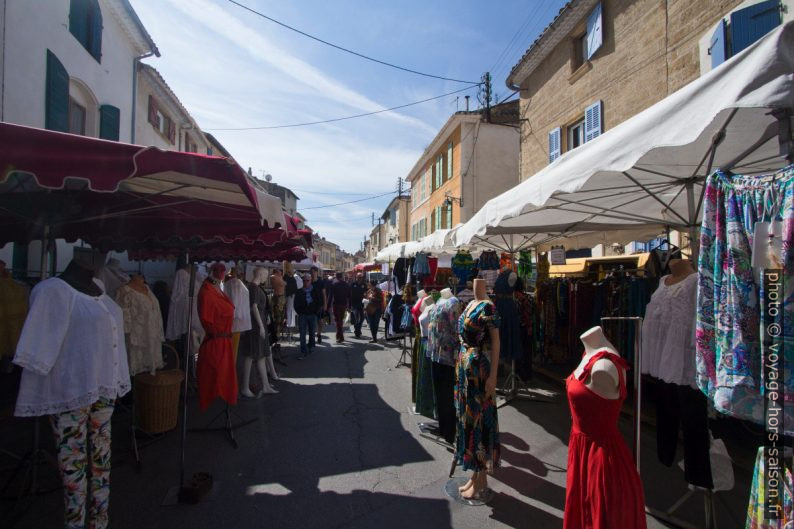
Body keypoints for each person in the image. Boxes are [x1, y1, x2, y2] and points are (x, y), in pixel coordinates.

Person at [455, 278, 501, 500]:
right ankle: (475, 474)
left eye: (478, 284)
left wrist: (493, 376)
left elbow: (496, 342)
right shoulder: (471, 304)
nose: (475, 286)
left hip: (479, 372)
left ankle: (482, 478)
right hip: (466, 370)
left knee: (479, 422)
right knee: (468, 421)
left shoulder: (488, 306)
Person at [294, 272, 319, 359]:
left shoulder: (315, 290)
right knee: (302, 334)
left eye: (307, 280)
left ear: (310, 281)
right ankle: (303, 350)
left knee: (312, 333)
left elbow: (318, 302)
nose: (305, 282)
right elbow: (295, 304)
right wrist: (300, 312)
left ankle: (310, 346)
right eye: (304, 280)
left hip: (312, 315)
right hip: (303, 315)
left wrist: (316, 311)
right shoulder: (299, 291)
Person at [329, 272, 351, 343]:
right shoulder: (346, 285)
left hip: (336, 304)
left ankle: (340, 336)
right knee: (340, 320)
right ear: (341, 276)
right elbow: (349, 296)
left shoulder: (334, 284)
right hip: (344, 304)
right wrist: (349, 305)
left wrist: (328, 305)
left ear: (336, 277)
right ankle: (339, 335)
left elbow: (331, 295)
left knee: (338, 320)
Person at [309, 267, 327, 344]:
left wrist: (325, 304)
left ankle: (319, 334)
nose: (312, 273)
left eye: (314, 272)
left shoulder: (320, 282)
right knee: (312, 322)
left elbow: (324, 294)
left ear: (317, 272)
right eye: (311, 272)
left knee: (320, 322)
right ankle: (312, 338)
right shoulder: (309, 281)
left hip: (319, 305)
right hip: (311, 305)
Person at [270, 268, 286, 343]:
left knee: (281, 317)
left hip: (281, 298)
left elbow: (284, 283)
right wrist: (281, 278)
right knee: (278, 317)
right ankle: (276, 334)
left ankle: (278, 333)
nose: (281, 272)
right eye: (280, 271)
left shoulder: (278, 277)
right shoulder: (274, 277)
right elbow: (284, 283)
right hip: (278, 298)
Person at [350, 274, 367, 339]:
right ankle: (357, 331)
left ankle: (358, 329)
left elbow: (366, 292)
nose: (359, 278)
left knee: (362, 318)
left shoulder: (364, 284)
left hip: (362, 303)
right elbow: (349, 294)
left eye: (361, 277)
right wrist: (349, 304)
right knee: (355, 318)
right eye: (358, 277)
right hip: (354, 304)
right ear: (356, 277)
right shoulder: (353, 284)